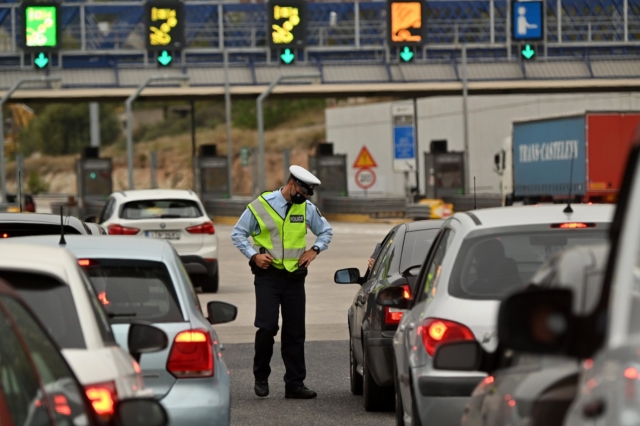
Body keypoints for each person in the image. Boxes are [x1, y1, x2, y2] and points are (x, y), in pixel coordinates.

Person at [231, 165, 333, 399]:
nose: (305, 197)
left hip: (295, 277)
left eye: (308, 194)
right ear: (292, 185)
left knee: (295, 331)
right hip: (269, 276)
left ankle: (295, 384)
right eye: (303, 192)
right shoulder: (261, 205)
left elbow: (326, 232)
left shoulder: (306, 208)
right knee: (267, 327)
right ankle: (261, 376)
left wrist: (314, 250)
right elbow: (238, 234)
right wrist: (253, 255)